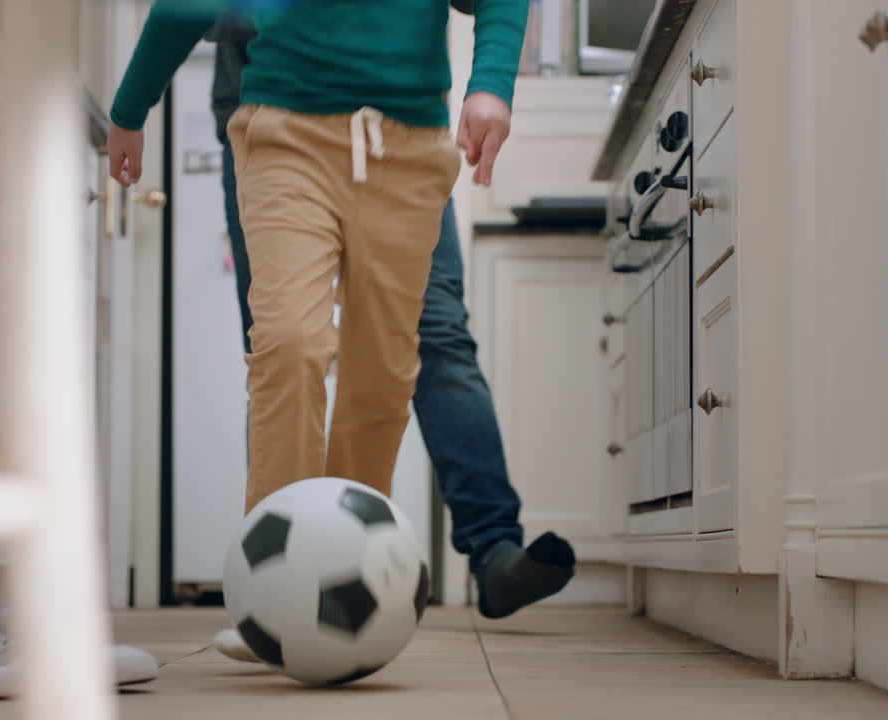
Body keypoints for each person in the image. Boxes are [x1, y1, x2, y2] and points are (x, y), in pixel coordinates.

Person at [108, 0, 573, 661]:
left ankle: (340, 569)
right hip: (283, 131)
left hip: (409, 145)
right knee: (289, 344)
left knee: (383, 374)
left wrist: (492, 83)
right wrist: (130, 110)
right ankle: (273, 590)